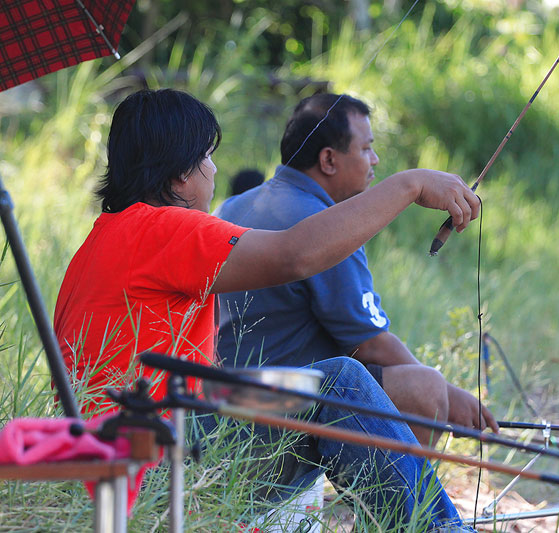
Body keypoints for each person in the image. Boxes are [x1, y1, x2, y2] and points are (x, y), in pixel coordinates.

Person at [53, 88, 480, 531]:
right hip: (158, 459)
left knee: (313, 384)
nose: (215, 169)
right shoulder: (165, 228)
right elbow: (294, 254)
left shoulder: (102, 239)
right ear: (181, 174)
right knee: (339, 383)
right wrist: (409, 184)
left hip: (125, 451)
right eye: (206, 156)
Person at [215, 93, 499, 446]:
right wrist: (445, 395)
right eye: (366, 149)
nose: (374, 159)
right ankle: (402, 503)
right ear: (329, 160)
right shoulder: (323, 226)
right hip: (260, 413)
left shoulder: (232, 205)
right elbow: (370, 345)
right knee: (423, 390)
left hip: (214, 402)